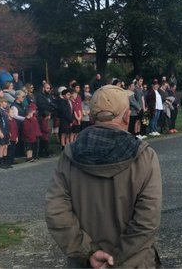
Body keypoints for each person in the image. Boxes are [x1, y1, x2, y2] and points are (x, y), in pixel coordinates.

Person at [46, 84, 162, 268]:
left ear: (91, 117)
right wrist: (117, 258)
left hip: (86, 264)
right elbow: (147, 219)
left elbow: (56, 212)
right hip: (133, 262)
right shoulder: (144, 156)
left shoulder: (69, 155)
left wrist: (88, 251)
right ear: (126, 115)